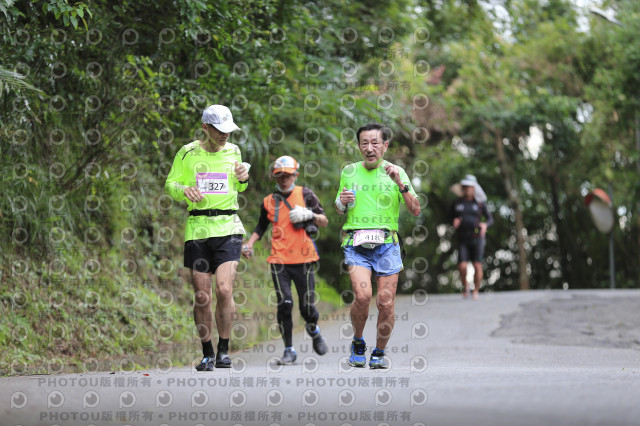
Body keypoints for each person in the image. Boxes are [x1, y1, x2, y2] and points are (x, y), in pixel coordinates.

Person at [164, 104, 249, 371]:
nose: (225, 135)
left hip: (228, 227)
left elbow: (240, 185)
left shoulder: (234, 151)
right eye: (219, 130)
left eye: (228, 130)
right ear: (205, 127)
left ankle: (224, 351)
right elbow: (170, 184)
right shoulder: (188, 152)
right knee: (202, 295)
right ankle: (207, 353)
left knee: (224, 289)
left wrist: (244, 178)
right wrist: (184, 190)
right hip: (198, 228)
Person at [335, 123, 421, 369]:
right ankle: (359, 342)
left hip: (387, 244)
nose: (369, 148)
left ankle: (379, 353)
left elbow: (415, 210)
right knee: (362, 296)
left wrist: (400, 184)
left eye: (375, 143)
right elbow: (339, 208)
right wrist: (342, 202)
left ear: (385, 145)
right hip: (356, 242)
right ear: (359, 146)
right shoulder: (349, 171)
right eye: (364, 143)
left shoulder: (397, 172)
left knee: (386, 302)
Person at [242, 155, 329, 364]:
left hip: (304, 258)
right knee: (285, 303)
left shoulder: (306, 194)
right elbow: (261, 226)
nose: (284, 179)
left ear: (295, 175)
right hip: (279, 260)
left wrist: (308, 214)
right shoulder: (269, 201)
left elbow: (324, 221)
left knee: (307, 306)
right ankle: (289, 349)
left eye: (288, 175)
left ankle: (313, 329)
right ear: (274, 177)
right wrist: (250, 243)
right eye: (279, 175)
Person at [450, 174, 493, 299]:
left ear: (474, 188)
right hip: (462, 238)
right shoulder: (457, 203)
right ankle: (465, 286)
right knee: (462, 265)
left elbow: (490, 219)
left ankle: (476, 290)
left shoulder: (480, 204)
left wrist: (485, 225)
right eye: (466, 187)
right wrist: (454, 221)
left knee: (477, 265)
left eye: (470, 187)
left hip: (477, 238)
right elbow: (450, 217)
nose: (468, 189)